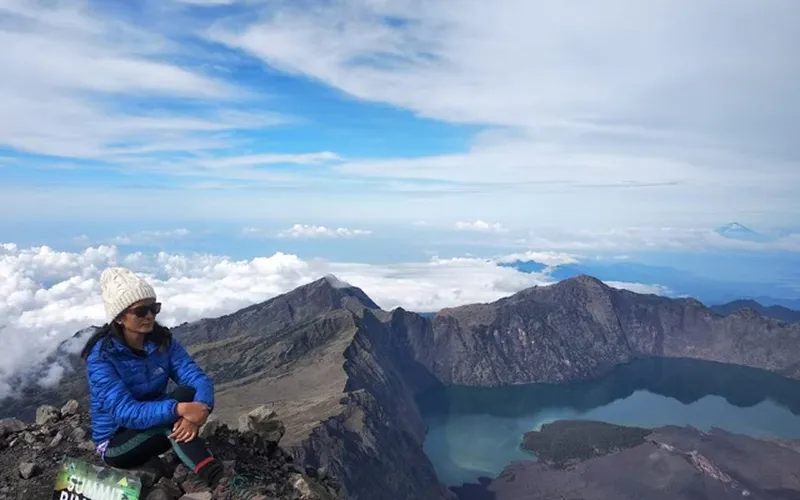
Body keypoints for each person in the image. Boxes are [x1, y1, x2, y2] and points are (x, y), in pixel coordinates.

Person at [81, 267, 226, 489]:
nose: (149, 316)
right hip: (115, 443)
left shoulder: (162, 341)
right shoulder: (102, 357)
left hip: (152, 424)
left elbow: (197, 378)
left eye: (153, 308)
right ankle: (219, 480)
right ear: (119, 317)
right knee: (171, 416)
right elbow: (125, 413)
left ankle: (195, 463)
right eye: (140, 311)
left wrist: (201, 406)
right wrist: (178, 411)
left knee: (187, 394)